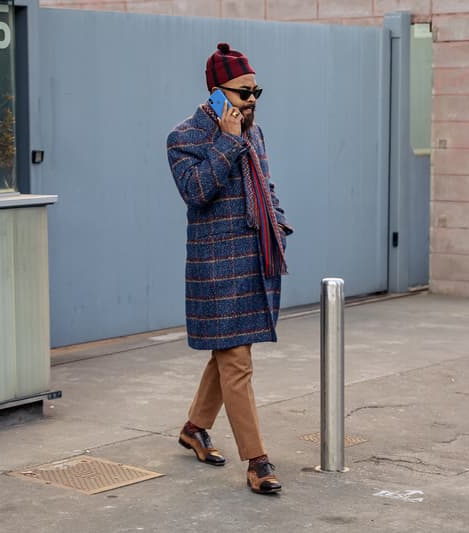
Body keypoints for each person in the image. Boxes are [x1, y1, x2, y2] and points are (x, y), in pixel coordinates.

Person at [166, 42, 293, 495]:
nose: (252, 99)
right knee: (236, 358)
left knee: (230, 354)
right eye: (243, 93)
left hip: (254, 257)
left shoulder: (255, 132)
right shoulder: (184, 138)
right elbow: (197, 191)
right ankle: (257, 462)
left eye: (256, 91)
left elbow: (267, 183)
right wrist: (226, 142)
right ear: (217, 94)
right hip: (217, 268)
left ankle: (194, 428)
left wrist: (276, 219)